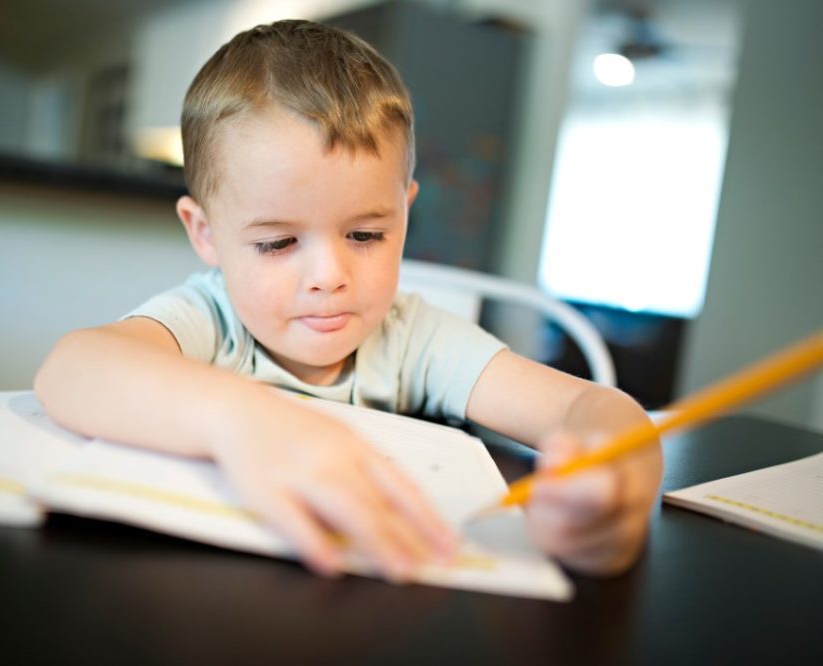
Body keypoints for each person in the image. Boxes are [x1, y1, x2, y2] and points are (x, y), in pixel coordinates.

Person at [35, 19, 662, 582]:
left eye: (365, 235)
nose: (330, 275)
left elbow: (593, 408)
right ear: (205, 233)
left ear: (405, 216)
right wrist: (244, 420)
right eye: (279, 243)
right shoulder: (212, 320)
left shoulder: (413, 338)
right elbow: (72, 368)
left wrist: (607, 489)